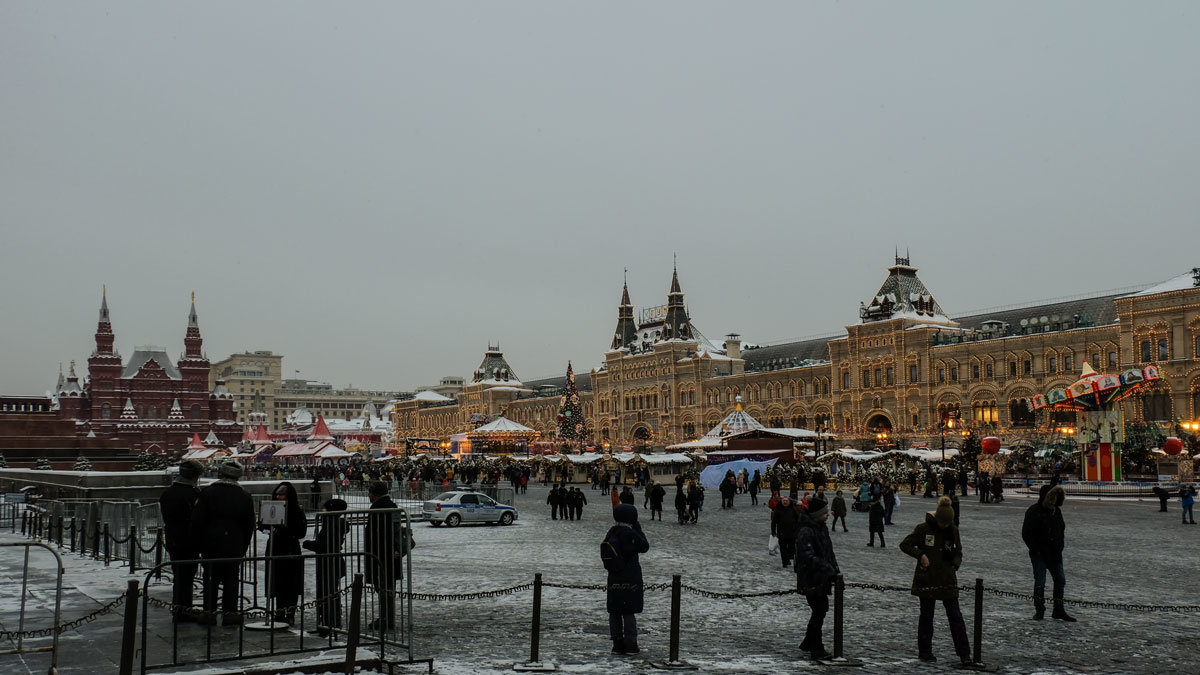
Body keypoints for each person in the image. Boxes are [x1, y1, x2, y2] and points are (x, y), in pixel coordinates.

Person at [899, 496, 976, 667]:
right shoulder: (923, 529)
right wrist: (921, 555)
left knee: (956, 617)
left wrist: (954, 565)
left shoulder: (953, 530)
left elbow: (958, 552)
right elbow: (905, 544)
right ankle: (925, 651)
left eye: (947, 523)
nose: (944, 526)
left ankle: (964, 654)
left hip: (948, 579)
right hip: (927, 579)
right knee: (926, 617)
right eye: (942, 522)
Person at [192, 460, 255, 626]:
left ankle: (209, 613)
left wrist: (200, 544)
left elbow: (197, 521)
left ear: (221, 473)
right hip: (234, 545)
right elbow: (249, 525)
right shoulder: (245, 496)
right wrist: (243, 546)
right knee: (232, 580)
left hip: (210, 545)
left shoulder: (207, 493)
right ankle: (230, 614)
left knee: (210, 579)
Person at [1021, 485, 1075, 622]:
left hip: (1055, 553)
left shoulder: (1056, 511)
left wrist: (1059, 546)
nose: (1053, 500)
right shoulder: (1033, 511)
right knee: (1040, 582)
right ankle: (1040, 610)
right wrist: (1036, 550)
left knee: (1060, 580)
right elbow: (1026, 533)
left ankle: (1058, 609)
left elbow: (1061, 529)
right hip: (1039, 554)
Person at [794, 495, 839, 661]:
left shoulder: (821, 528)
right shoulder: (806, 531)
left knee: (820, 610)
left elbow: (829, 552)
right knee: (819, 610)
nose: (827, 515)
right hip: (811, 578)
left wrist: (835, 569)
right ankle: (816, 647)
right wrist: (827, 569)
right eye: (825, 512)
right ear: (816, 514)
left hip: (821, 577)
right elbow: (807, 556)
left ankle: (808, 641)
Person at [601, 503, 650, 655]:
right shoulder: (630, 533)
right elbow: (644, 546)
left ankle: (617, 644)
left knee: (614, 611)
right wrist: (638, 528)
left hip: (614, 576)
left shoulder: (612, 531)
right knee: (628, 611)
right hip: (630, 576)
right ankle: (631, 645)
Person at [159, 460, 204, 623]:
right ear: (194, 476)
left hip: (173, 540)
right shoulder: (193, 495)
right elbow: (197, 519)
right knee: (186, 577)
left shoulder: (168, 493)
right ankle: (183, 611)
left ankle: (180, 608)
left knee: (179, 576)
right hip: (189, 542)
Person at [364, 481, 412, 631]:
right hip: (390, 555)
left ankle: (386, 619)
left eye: (370, 492)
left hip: (383, 555)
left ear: (375, 493)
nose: (368, 495)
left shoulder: (379, 507)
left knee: (384, 589)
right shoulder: (391, 505)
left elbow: (382, 533)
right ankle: (387, 618)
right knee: (387, 589)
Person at [263, 481, 308, 625]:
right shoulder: (272, 508)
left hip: (290, 548)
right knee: (278, 581)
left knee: (290, 583)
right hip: (275, 547)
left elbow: (301, 532)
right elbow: (262, 526)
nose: (279, 497)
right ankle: (279, 610)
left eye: (282, 494)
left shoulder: (296, 511)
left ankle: (289, 612)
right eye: (277, 494)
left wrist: (285, 531)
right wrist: (269, 529)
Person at [303, 498, 348, 636]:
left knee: (328, 593)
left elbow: (325, 545)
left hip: (330, 562)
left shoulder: (332, 524)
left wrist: (308, 544)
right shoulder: (331, 523)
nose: (322, 510)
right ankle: (327, 622)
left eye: (325, 508)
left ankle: (330, 623)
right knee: (327, 592)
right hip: (330, 561)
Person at [771, 495, 801, 568]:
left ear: (789, 502)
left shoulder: (793, 509)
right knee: (783, 548)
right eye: (784, 501)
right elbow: (774, 521)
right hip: (782, 533)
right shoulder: (777, 510)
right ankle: (784, 562)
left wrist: (797, 529)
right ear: (781, 502)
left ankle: (788, 558)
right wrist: (773, 531)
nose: (785, 502)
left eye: (786, 501)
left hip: (792, 533)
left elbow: (798, 519)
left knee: (791, 548)